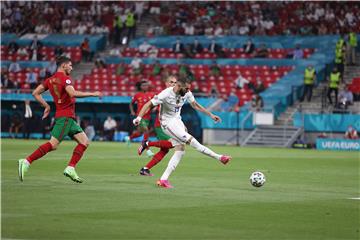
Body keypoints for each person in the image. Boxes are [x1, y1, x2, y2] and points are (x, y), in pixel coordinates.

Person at [133, 77, 231, 188]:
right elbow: (148, 104)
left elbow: (195, 105)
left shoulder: (187, 92)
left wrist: (211, 114)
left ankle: (163, 179)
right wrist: (139, 118)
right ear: (179, 86)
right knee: (191, 140)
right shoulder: (166, 94)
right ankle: (219, 157)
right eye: (186, 88)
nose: (188, 90)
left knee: (180, 149)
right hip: (167, 123)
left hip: (177, 120)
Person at [18, 56, 102, 183]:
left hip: (68, 118)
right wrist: (93, 94)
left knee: (84, 142)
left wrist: (46, 106)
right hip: (65, 117)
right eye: (70, 65)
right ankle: (26, 161)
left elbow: (35, 93)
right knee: (53, 144)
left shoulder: (50, 80)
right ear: (64, 65)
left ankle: (70, 168)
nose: (72, 68)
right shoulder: (65, 79)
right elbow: (72, 93)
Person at [138, 76, 177, 176]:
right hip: (162, 124)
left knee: (165, 150)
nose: (173, 84)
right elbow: (151, 104)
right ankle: (147, 144)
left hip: (169, 124)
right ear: (166, 83)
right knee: (174, 144)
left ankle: (145, 169)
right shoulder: (164, 94)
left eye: (175, 82)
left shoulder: (174, 94)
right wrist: (141, 116)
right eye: (171, 82)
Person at [127, 80, 154, 157]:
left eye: (146, 85)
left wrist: (153, 108)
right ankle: (147, 150)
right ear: (140, 87)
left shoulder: (151, 95)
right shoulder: (137, 95)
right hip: (140, 117)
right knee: (146, 130)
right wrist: (132, 111)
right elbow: (131, 104)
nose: (145, 86)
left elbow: (153, 104)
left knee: (140, 133)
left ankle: (129, 138)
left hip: (148, 117)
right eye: (143, 85)